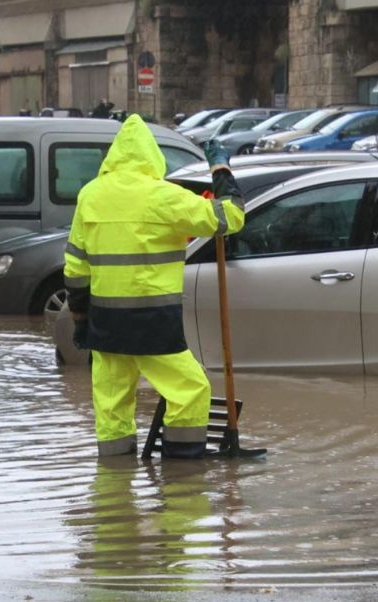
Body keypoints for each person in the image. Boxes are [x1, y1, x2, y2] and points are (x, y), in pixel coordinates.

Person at [64, 116, 245, 459]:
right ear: (152, 156)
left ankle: (113, 494)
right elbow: (230, 217)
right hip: (152, 322)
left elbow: (75, 267)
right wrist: (221, 169)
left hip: (106, 324)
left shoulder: (90, 195)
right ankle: (181, 481)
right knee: (190, 391)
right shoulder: (163, 196)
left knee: (111, 408)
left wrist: (80, 320)